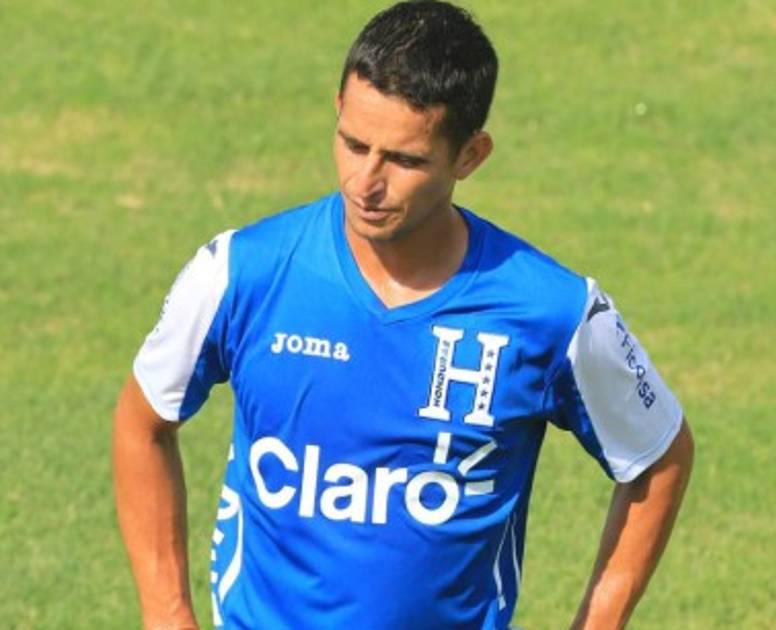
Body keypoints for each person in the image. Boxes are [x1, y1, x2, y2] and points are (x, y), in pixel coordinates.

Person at [111, 2, 694, 628]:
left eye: (405, 160)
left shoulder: (550, 312)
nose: (365, 182)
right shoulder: (241, 273)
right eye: (353, 143)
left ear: (470, 155)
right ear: (338, 108)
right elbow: (142, 424)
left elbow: (659, 455)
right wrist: (167, 614)